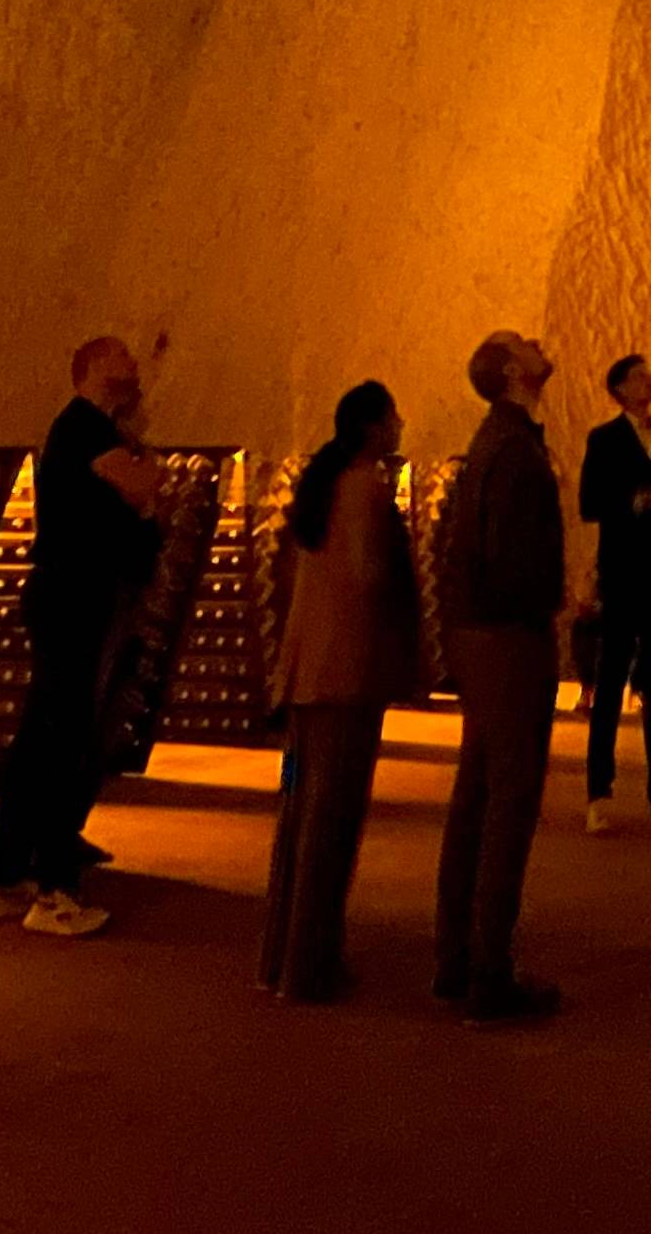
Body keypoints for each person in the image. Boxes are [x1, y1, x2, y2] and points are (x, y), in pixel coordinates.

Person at [0, 335, 169, 936]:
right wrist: (146, 473)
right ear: (90, 367)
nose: (134, 364)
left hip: (67, 597)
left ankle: (11, 875)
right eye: (121, 356)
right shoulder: (84, 427)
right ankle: (55, 891)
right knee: (63, 741)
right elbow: (144, 486)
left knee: (41, 737)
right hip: (75, 600)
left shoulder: (92, 430)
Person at [261, 379, 425, 1002]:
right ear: (373, 427)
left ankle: (282, 958)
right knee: (331, 824)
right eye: (393, 417)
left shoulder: (323, 485)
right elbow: (368, 577)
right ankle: (308, 967)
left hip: (309, 676)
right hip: (347, 677)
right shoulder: (364, 488)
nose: (400, 425)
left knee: (300, 815)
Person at [432, 329, 568, 1022]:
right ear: (515, 371)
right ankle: (488, 973)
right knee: (508, 804)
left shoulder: (496, 441)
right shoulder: (514, 450)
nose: (539, 343)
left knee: (477, 797)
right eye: (524, 343)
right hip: (508, 638)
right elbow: (509, 555)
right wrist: (548, 605)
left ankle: (456, 958)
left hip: (480, 633)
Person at [579, 352, 651, 836]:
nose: (649, 382)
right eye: (639, 377)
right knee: (610, 680)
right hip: (624, 568)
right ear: (620, 389)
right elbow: (591, 502)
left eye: (649, 375)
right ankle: (598, 792)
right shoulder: (604, 439)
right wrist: (641, 500)